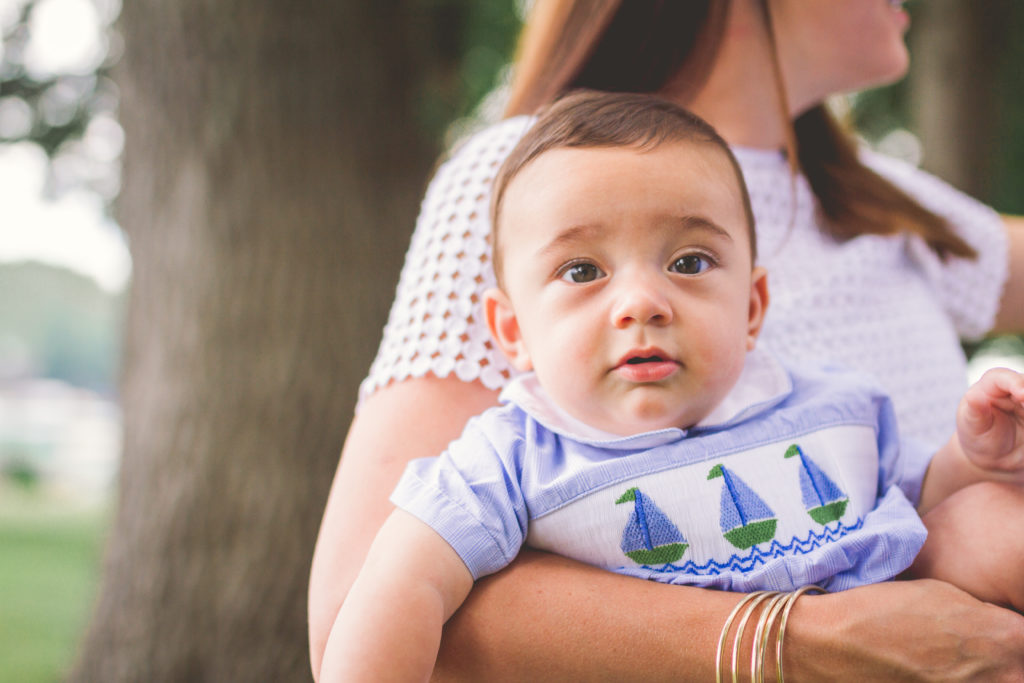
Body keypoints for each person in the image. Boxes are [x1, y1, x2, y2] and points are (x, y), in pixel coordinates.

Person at [310, 1, 1024, 679]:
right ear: (512, 326)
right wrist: (795, 642)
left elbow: (907, 487)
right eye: (584, 270)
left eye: (689, 263)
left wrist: (972, 456)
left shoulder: (882, 203)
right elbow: (371, 600)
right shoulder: (534, 172)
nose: (644, 301)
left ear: (754, 305)